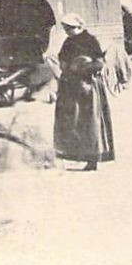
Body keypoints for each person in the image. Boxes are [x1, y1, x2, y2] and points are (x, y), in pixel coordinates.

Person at [54, 15, 115, 171]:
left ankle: (93, 159)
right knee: (72, 121)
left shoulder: (90, 40)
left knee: (90, 123)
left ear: (80, 27)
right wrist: (65, 66)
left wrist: (82, 68)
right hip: (71, 87)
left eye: (71, 28)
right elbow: (62, 58)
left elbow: (99, 63)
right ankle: (73, 155)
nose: (68, 31)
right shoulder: (68, 42)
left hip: (88, 87)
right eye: (66, 28)